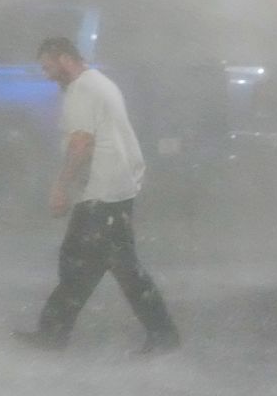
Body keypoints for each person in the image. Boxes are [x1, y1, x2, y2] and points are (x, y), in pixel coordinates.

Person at [13, 36, 180, 354]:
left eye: (49, 67)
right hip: (114, 190)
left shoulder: (82, 90)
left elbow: (81, 143)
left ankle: (162, 337)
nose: (47, 75)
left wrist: (60, 187)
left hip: (102, 194)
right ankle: (54, 333)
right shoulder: (100, 82)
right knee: (90, 264)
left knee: (109, 267)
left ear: (64, 59)